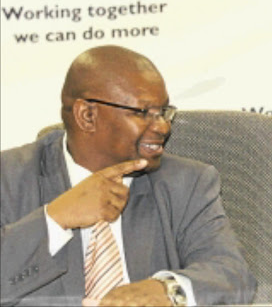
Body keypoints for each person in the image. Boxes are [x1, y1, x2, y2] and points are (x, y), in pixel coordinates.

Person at [1, 45, 256, 306]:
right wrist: (56, 219)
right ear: (87, 115)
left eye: (164, 112)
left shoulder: (188, 183)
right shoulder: (8, 178)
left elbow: (234, 276)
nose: (163, 127)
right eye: (144, 113)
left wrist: (167, 290)